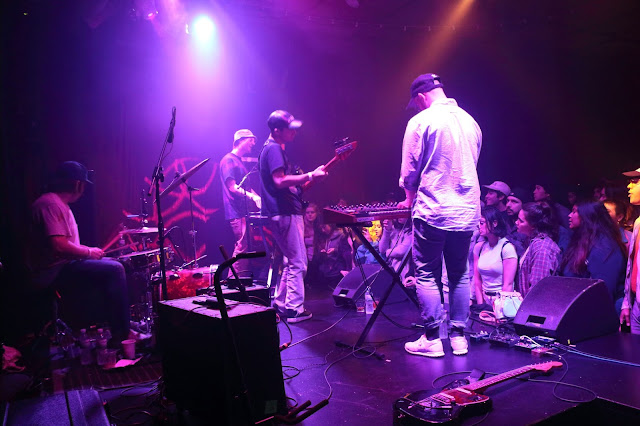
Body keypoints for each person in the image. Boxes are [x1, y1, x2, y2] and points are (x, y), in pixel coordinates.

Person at [398, 73, 482, 358]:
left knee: (426, 272)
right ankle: (459, 338)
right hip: (466, 210)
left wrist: (409, 199)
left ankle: (433, 338)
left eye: (416, 102)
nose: (417, 107)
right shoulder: (471, 121)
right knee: (459, 274)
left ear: (421, 97)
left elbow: (410, 170)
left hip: (434, 208)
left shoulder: (421, 121)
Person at [28, 161, 130, 342]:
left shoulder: (57, 203)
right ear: (78, 184)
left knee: (117, 264)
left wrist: (88, 251)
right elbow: (59, 246)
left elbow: (65, 244)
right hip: (52, 272)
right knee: (115, 269)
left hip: (63, 266)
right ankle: (122, 335)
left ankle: (121, 325)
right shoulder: (51, 204)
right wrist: (89, 253)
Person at [259, 110, 327, 323]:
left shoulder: (271, 148)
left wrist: (311, 178)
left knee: (290, 261)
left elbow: (290, 188)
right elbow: (279, 181)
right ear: (277, 130)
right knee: (298, 262)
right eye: (290, 129)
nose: (294, 132)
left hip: (281, 212)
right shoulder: (273, 149)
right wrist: (309, 175)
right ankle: (295, 309)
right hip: (285, 212)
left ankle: (281, 304)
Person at [560, 201, 627, 315]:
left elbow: (603, 290)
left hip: (593, 313)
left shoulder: (604, 246)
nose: (569, 215)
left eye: (574, 212)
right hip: (577, 308)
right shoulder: (581, 241)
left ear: (587, 216)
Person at [219, 129, 261, 277]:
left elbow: (246, 188)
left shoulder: (239, 161)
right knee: (242, 246)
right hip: (236, 211)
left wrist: (258, 198)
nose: (253, 143)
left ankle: (241, 279)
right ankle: (233, 281)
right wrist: (252, 197)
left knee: (245, 246)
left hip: (243, 211)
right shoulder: (228, 160)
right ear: (241, 141)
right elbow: (232, 187)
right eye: (251, 140)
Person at [472, 206, 518, 308]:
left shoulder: (506, 248)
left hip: (501, 300)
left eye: (482, 223)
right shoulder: (479, 247)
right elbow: (477, 281)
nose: (479, 226)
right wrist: (481, 304)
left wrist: (500, 307)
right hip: (484, 299)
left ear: (494, 223)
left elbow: (508, 285)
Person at [515, 202, 561, 297]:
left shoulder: (541, 248)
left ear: (533, 225)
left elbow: (538, 290)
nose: (516, 222)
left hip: (535, 304)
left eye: (521, 221)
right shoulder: (532, 241)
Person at [621, 167, 640, 333]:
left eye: (635, 181)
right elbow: (632, 265)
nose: (629, 186)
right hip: (636, 305)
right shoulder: (638, 222)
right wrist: (626, 302)